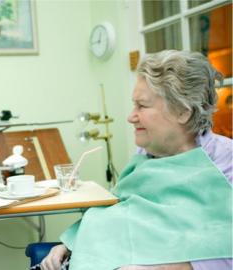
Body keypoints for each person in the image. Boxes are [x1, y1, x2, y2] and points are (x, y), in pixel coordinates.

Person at [40, 50, 232, 270]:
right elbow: (119, 212)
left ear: (182, 112)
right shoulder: (145, 156)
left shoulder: (225, 165)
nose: (131, 117)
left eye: (142, 106)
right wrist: (71, 245)